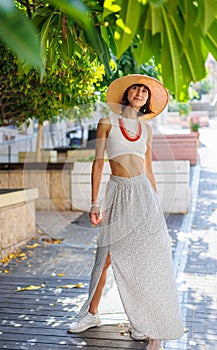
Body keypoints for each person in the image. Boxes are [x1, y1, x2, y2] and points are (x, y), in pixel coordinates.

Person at [68, 74, 184, 346]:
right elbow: (99, 163)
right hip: (118, 192)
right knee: (105, 257)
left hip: (143, 195)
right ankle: (90, 313)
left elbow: (148, 169)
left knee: (142, 258)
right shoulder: (107, 123)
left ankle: (140, 320)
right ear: (127, 93)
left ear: (148, 100)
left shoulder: (147, 130)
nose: (140, 92)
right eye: (136, 87)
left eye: (145, 91)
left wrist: (156, 204)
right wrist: (95, 202)